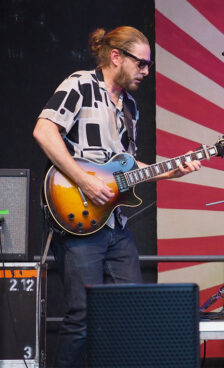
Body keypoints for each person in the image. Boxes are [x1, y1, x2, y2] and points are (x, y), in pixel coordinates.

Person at [33, 26, 201, 367]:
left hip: (114, 224)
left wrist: (168, 169)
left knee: (130, 311)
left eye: (148, 65)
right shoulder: (80, 84)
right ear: (116, 57)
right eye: (141, 64)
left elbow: (123, 164)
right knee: (81, 317)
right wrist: (85, 180)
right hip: (79, 218)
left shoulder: (130, 107)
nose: (146, 72)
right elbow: (44, 130)